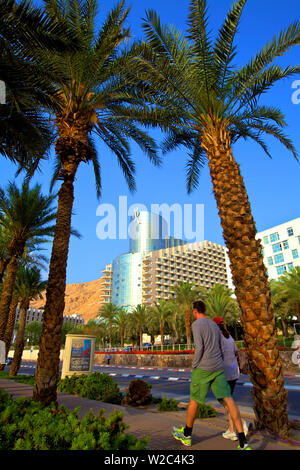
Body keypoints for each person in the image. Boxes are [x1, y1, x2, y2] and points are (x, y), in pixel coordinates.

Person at [172, 300, 251, 450]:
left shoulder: (196, 325)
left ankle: (187, 435)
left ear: (195, 311)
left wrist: (194, 365)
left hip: (203, 367)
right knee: (229, 400)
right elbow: (221, 347)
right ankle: (243, 442)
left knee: (194, 400)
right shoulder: (214, 325)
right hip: (218, 368)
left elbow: (200, 347)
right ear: (205, 310)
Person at [213, 316, 249, 441]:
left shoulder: (217, 338)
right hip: (233, 372)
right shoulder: (229, 337)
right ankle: (232, 430)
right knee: (229, 401)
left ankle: (242, 422)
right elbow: (235, 351)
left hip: (224, 373)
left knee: (225, 401)